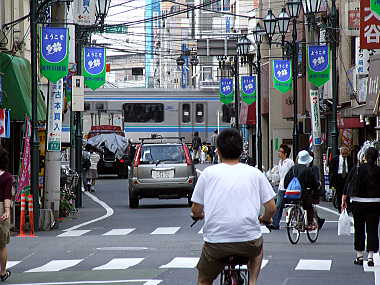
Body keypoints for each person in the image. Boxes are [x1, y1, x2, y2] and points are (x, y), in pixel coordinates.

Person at [191, 128, 276, 285]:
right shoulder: (255, 173)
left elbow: (196, 209)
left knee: (204, 279)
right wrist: (264, 219)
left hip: (216, 243)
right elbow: (271, 207)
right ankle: (252, 282)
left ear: (218, 151)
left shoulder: (208, 174)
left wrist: (198, 215)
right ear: (241, 150)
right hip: (248, 242)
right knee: (258, 251)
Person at [342, 147, 380, 267]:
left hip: (358, 203)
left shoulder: (357, 169)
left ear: (365, 156)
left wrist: (344, 199)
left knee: (359, 229)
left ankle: (359, 256)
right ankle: (370, 257)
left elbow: (348, 183)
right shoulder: (379, 170)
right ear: (376, 158)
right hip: (375, 203)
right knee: (372, 229)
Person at [284, 150, 320, 230]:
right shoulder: (307, 170)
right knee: (309, 206)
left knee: (295, 204)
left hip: (290, 194)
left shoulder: (293, 168)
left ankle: (296, 218)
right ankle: (310, 223)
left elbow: (286, 181)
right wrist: (316, 187)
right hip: (302, 195)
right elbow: (313, 183)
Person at [269, 144, 294, 230]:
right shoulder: (280, 162)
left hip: (287, 187)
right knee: (278, 205)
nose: (279, 153)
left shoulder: (290, 162)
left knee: (278, 205)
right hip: (281, 187)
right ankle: (275, 222)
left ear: (285, 153)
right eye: (279, 151)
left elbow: (292, 174)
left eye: (280, 151)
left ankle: (275, 223)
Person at [0, 147, 12, 281]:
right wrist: (7, 211)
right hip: (1, 207)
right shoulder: (7, 177)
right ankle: (2, 272)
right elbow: (7, 195)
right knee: (1, 244)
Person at [329, 146, 352, 213]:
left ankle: (347, 208)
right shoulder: (335, 159)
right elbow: (332, 170)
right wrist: (332, 181)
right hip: (338, 177)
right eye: (343, 154)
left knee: (347, 193)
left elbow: (352, 168)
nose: (344, 156)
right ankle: (340, 208)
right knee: (339, 193)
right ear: (340, 153)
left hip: (347, 177)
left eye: (346, 154)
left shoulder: (350, 159)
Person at [307, 151, 325, 230]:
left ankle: (316, 220)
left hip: (312, 190)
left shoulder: (314, 168)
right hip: (307, 189)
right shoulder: (305, 167)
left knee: (309, 205)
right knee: (308, 206)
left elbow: (316, 180)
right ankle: (318, 219)